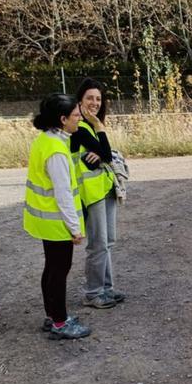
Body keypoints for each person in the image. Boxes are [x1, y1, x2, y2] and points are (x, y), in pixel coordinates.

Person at [24, 93, 92, 340]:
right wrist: (75, 228)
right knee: (59, 271)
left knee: (51, 269)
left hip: (45, 221)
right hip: (56, 224)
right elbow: (63, 195)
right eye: (76, 115)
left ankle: (52, 316)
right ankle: (60, 323)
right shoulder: (57, 152)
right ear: (63, 119)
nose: (79, 119)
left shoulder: (45, 140)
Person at [72, 78, 125, 309]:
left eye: (98, 99)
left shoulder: (91, 127)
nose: (95, 103)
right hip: (92, 194)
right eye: (90, 98)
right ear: (80, 101)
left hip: (105, 189)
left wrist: (103, 153)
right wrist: (99, 128)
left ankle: (106, 288)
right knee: (98, 244)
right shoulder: (80, 127)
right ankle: (93, 293)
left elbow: (105, 154)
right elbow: (106, 153)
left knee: (108, 242)